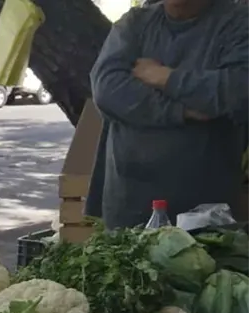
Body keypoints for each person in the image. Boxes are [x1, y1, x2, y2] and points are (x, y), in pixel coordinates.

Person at [89, 0, 249, 228]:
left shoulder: (238, 22)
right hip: (129, 205)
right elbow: (107, 90)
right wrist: (181, 110)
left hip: (207, 210)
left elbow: (236, 90)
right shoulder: (134, 24)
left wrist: (163, 77)